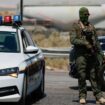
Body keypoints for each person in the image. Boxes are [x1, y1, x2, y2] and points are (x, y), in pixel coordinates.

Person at [70, 7, 105, 104]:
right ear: (81, 15)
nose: (86, 17)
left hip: (91, 55)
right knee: (82, 76)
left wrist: (101, 55)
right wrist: (85, 43)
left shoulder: (91, 27)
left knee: (94, 76)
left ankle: (98, 97)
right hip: (80, 55)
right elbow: (73, 40)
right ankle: (82, 96)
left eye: (87, 15)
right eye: (85, 15)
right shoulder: (76, 26)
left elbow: (97, 42)